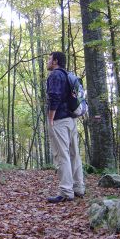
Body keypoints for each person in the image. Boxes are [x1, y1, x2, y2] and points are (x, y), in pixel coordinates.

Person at [46, 51, 85, 203]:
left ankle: (66, 191)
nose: (48, 62)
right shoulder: (68, 76)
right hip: (71, 120)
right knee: (74, 154)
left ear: (55, 61)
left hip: (60, 121)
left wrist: (51, 118)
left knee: (62, 155)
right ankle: (78, 187)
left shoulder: (55, 75)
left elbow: (54, 97)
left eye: (50, 59)